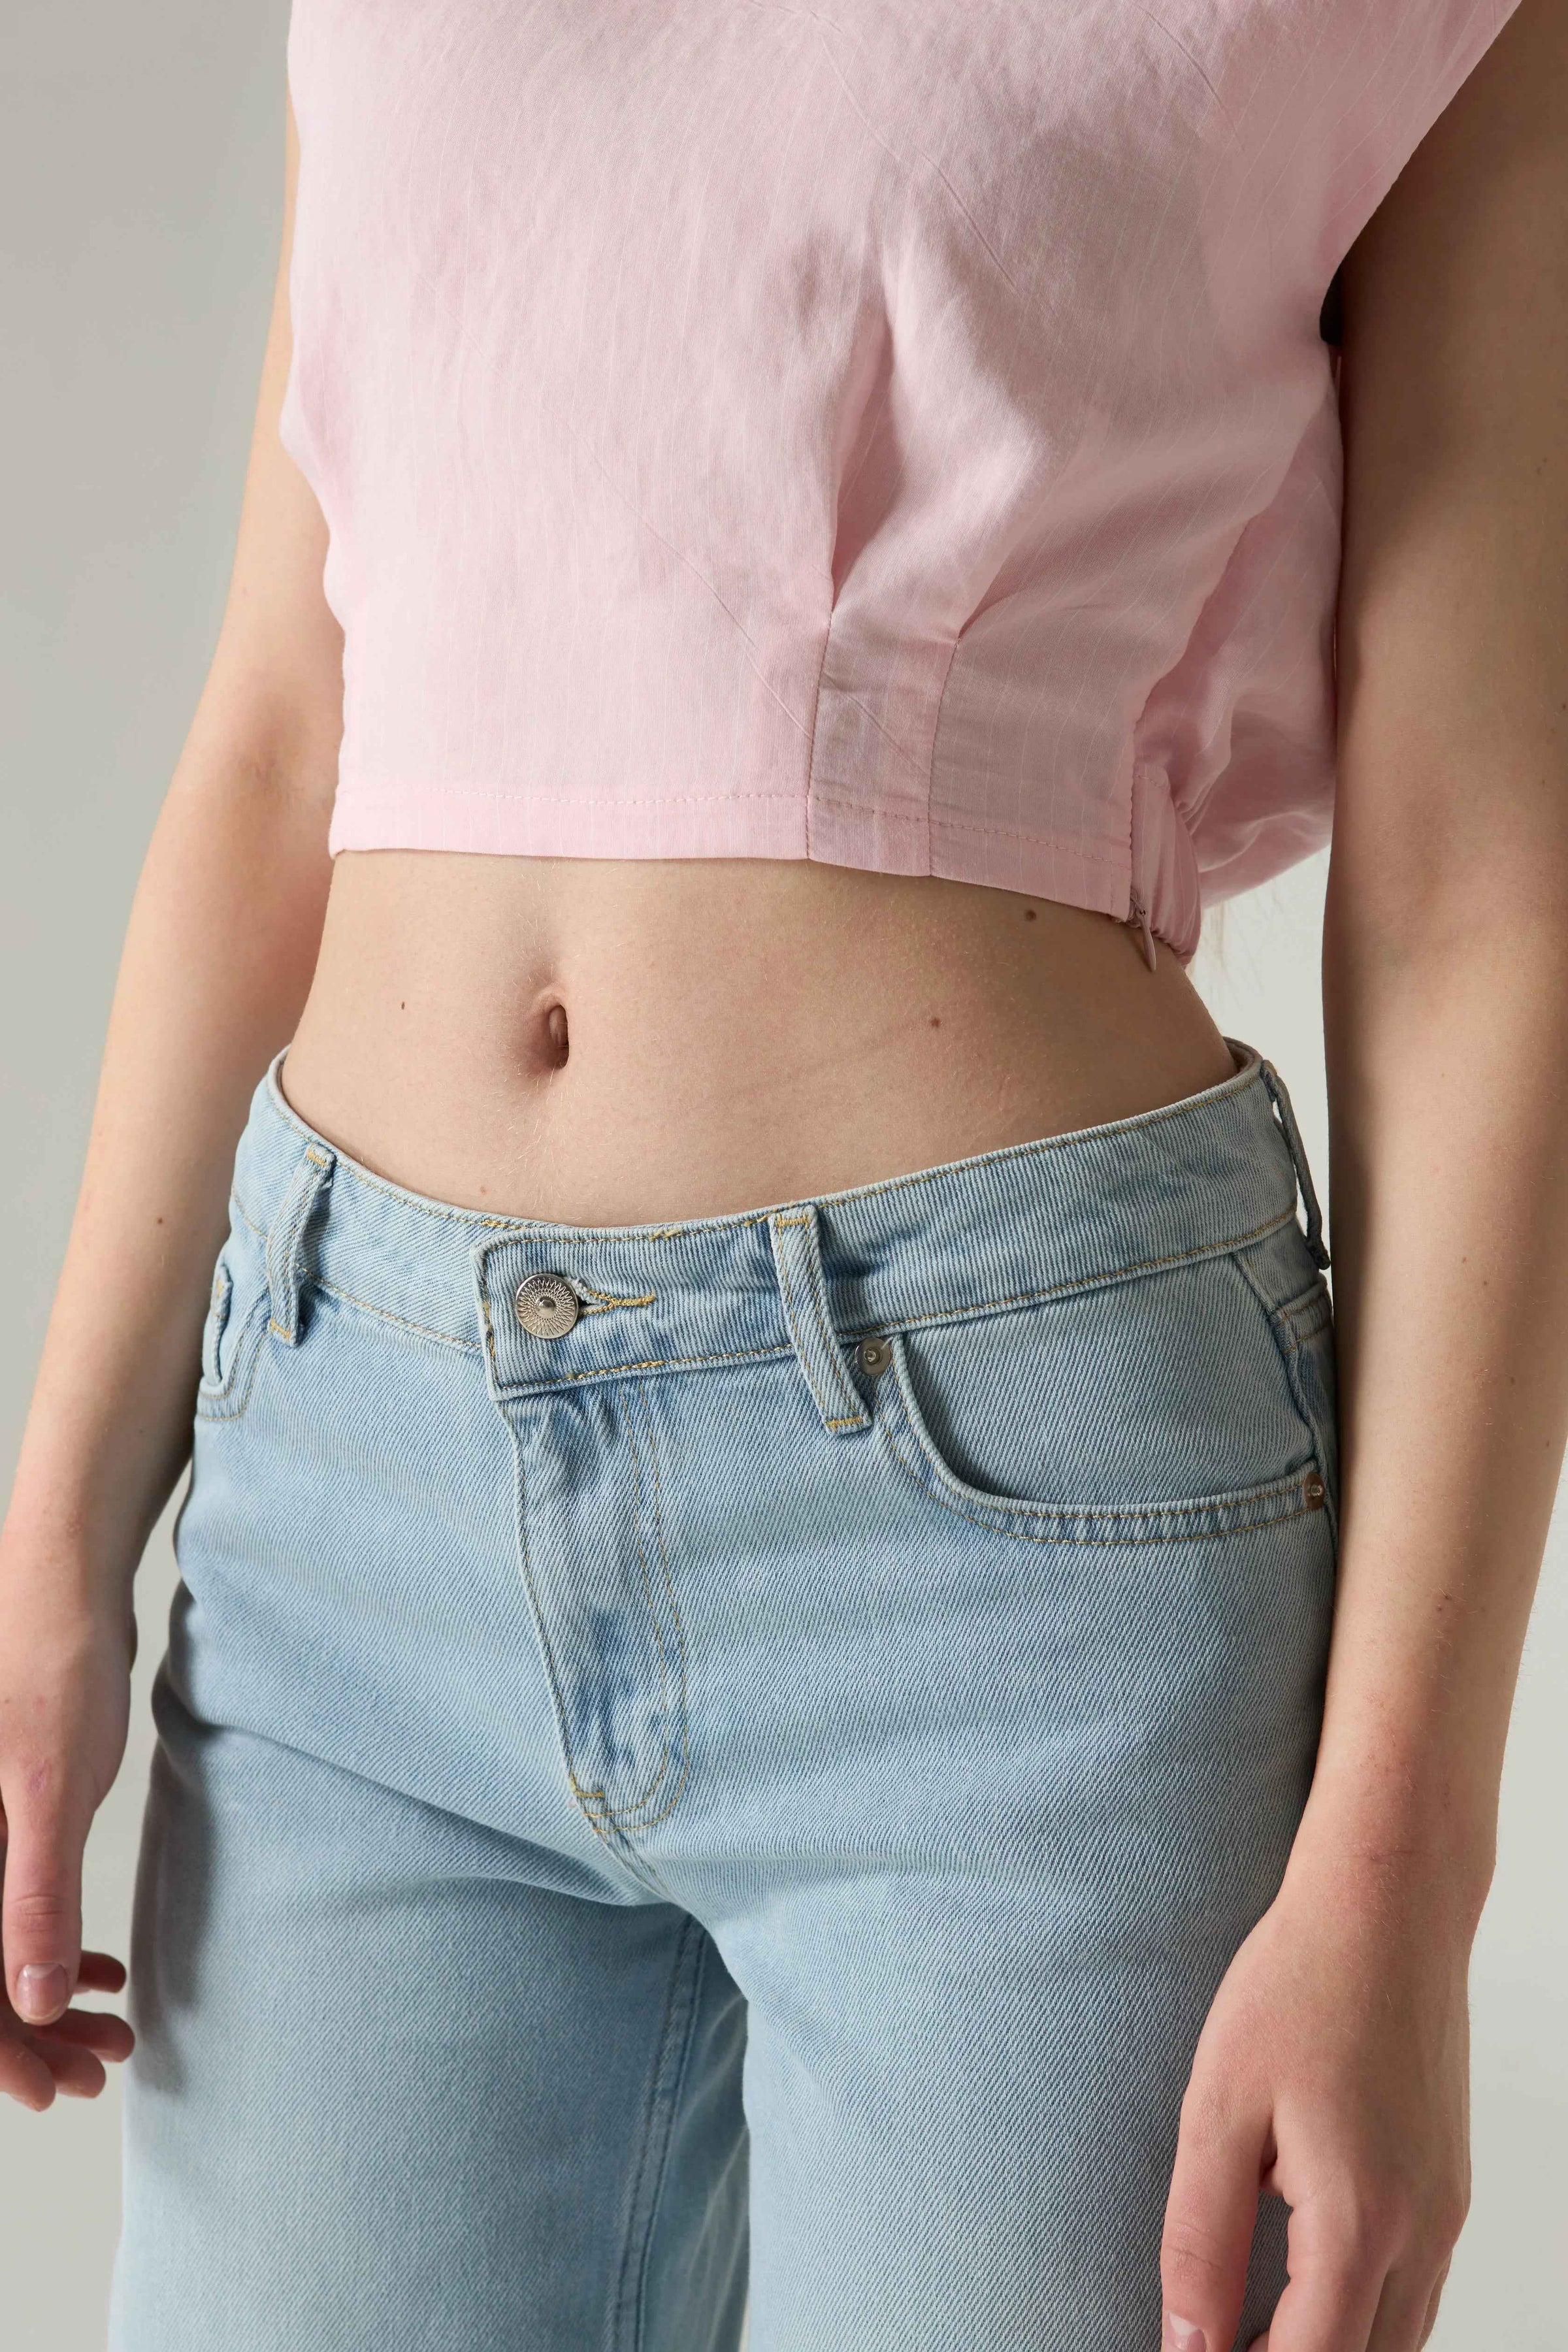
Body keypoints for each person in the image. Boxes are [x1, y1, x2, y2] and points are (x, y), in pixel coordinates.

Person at [2, 0, 1564, 2345]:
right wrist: (53, 1547)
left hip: (1014, 1554)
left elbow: (1481, 904)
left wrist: (1403, 1876)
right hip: (347, 1511)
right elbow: (286, 720)